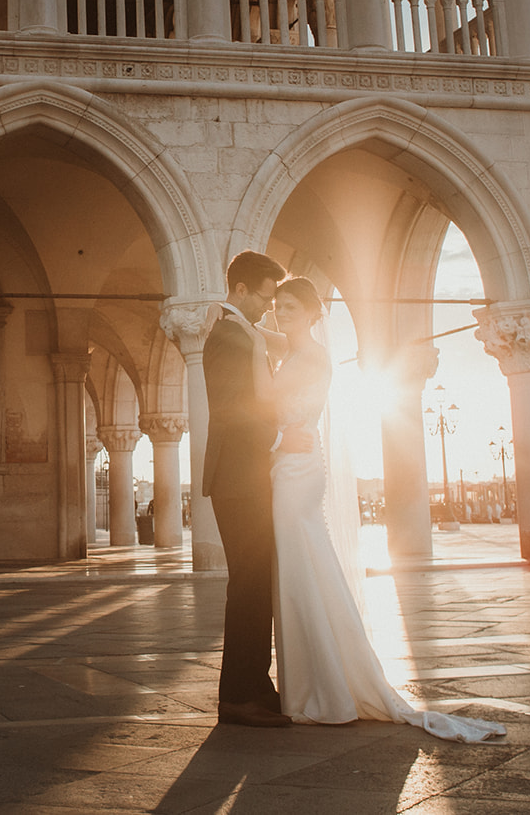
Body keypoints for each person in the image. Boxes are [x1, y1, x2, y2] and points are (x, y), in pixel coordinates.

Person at [248, 276, 506, 743]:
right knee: (300, 567)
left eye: (289, 307)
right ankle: (314, 682)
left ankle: (322, 688)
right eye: (276, 306)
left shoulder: (308, 356)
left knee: (299, 568)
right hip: (291, 465)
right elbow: (267, 339)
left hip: (297, 468)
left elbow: (266, 400)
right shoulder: (295, 349)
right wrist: (242, 324)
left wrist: (249, 346)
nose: (279, 312)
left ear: (311, 313)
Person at [202, 249, 306, 729]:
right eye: (265, 297)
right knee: (247, 585)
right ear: (240, 289)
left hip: (245, 475)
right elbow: (228, 409)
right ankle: (239, 695)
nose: (269, 307)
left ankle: (254, 687)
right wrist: (282, 437)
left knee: (255, 583)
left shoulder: (241, 332)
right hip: (238, 477)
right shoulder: (226, 334)